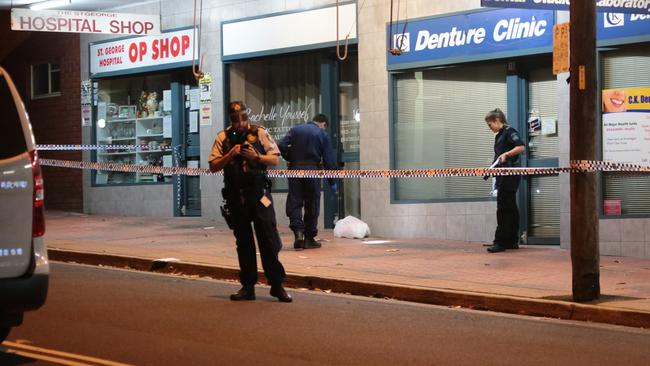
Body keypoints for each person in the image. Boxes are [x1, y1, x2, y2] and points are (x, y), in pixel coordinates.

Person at [208, 101, 292, 302]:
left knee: (269, 240)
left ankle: (277, 285)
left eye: (243, 118)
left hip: (259, 194)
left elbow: (275, 160)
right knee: (244, 243)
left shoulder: (260, 132)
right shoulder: (223, 137)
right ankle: (247, 286)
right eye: (236, 120)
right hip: (236, 197)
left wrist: (257, 156)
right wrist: (230, 154)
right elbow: (213, 166)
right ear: (230, 119)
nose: (240, 123)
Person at [278, 114, 337, 251]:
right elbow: (328, 160)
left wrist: (289, 157)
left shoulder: (295, 129)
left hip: (295, 170)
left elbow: (280, 144)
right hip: (312, 171)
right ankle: (309, 239)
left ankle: (298, 234)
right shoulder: (321, 133)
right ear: (323, 124)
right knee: (312, 203)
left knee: (295, 201)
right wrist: (332, 181)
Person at [484, 108, 525, 253]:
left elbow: (520, 147)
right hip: (503, 174)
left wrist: (507, 154)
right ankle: (511, 241)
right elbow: (498, 156)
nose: (489, 128)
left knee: (503, 208)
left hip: (509, 175)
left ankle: (500, 242)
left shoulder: (509, 132)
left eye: (490, 125)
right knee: (511, 208)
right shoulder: (500, 135)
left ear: (497, 120)